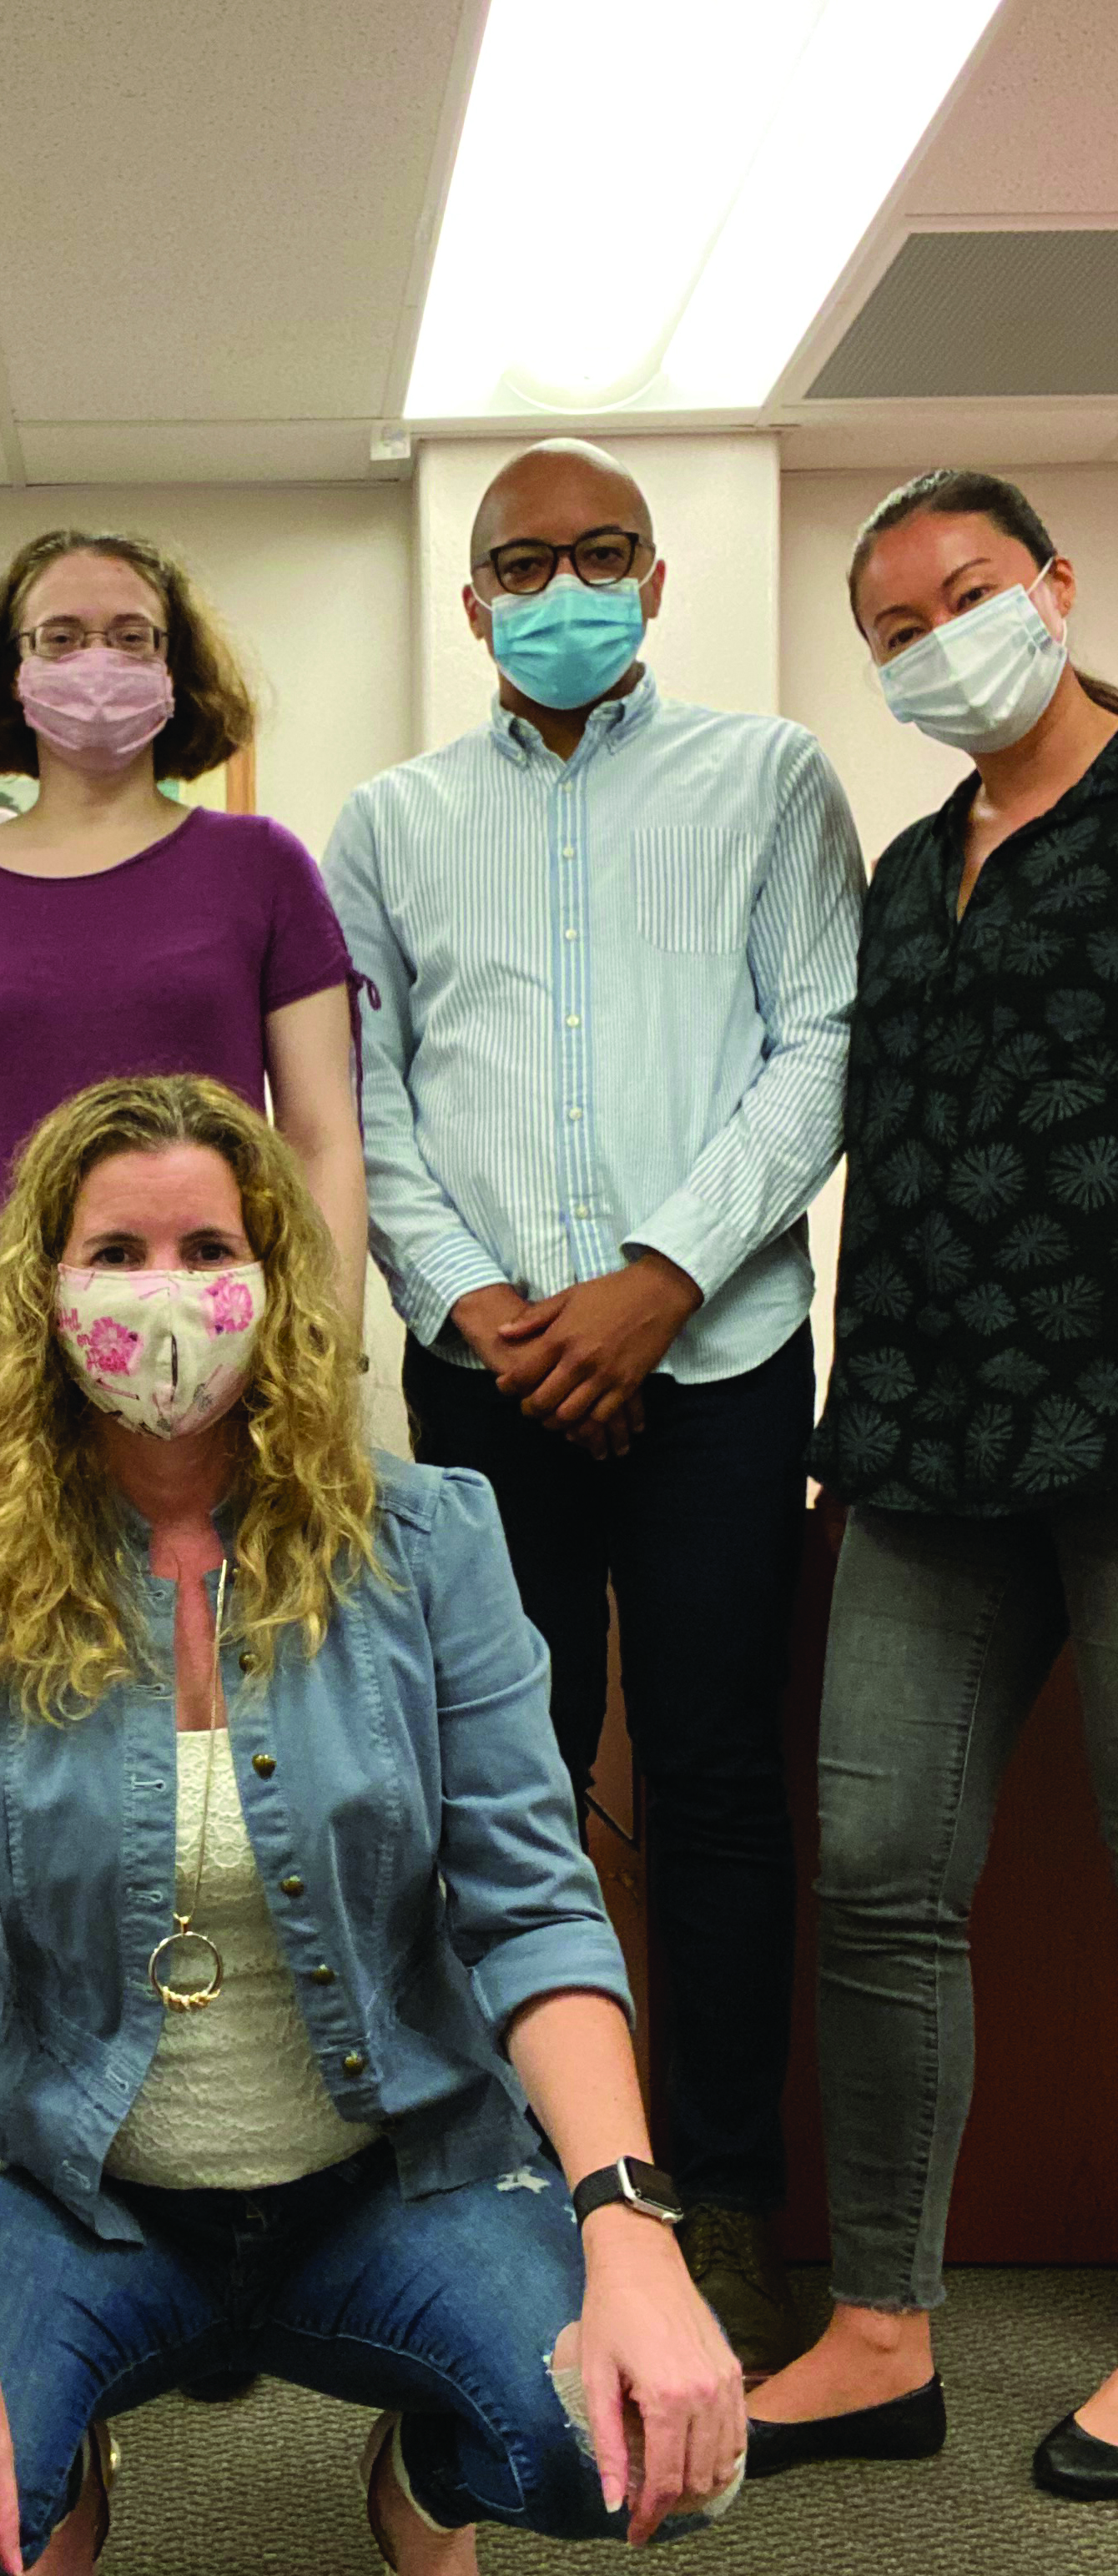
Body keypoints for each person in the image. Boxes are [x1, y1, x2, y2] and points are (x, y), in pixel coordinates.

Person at [0, 1073, 746, 2574]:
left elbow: (534, 1905)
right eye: (114, 1252)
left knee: (619, 2443)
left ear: (276, 1281)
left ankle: (425, 2477)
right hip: (76, 2189)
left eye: (207, 1250)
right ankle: (69, 2446)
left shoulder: (430, 1542)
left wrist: (630, 2226)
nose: (165, 1295)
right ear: (40, 1290)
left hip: (388, 2175)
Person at [325, 438, 865, 2378]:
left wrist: (651, 1286)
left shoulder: (765, 781)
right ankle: (517, 2184)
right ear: (468, 604)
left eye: (598, 553)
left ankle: (711, 2195)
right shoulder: (381, 824)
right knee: (497, 1787)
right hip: (479, 1374)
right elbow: (364, 1094)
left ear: (652, 577)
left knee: (715, 1782)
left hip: (711, 1360)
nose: (563, 586)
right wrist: (479, 1305)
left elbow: (814, 1047)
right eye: (521, 562)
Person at [748, 471, 1118, 2501]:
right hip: (915, 1444)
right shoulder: (902, 870)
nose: (925, 644)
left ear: (1051, 589)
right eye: (886, 629)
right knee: (879, 1874)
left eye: (958, 597)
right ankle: (879, 2330)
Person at [0, 527, 367, 1529]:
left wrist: (325, 1364)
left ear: (177, 670)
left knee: (225, 1664)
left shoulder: (262, 868)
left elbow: (322, 1135)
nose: (98, 663)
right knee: (3, 1673)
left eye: (133, 638)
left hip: (216, 1355)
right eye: (62, 636)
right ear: (14, 671)